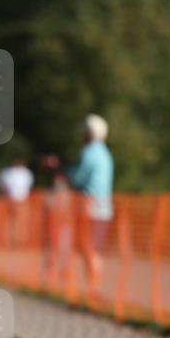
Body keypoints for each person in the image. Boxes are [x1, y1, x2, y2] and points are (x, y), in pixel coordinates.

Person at [62, 113, 114, 285]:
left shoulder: (89, 152)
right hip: (104, 208)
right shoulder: (106, 154)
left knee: (86, 246)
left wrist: (63, 172)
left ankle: (92, 285)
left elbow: (77, 178)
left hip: (89, 207)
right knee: (94, 248)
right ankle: (94, 284)